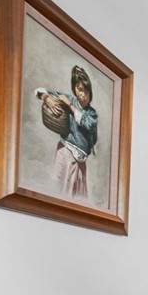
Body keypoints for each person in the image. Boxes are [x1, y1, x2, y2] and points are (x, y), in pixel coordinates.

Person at [35, 65, 98, 200]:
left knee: (77, 197)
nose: (83, 94)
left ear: (90, 92)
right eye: (79, 89)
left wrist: (70, 106)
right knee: (59, 193)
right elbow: (41, 90)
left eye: (86, 91)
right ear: (74, 88)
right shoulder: (70, 98)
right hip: (65, 152)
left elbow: (87, 123)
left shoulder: (92, 113)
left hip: (80, 161)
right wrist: (47, 98)